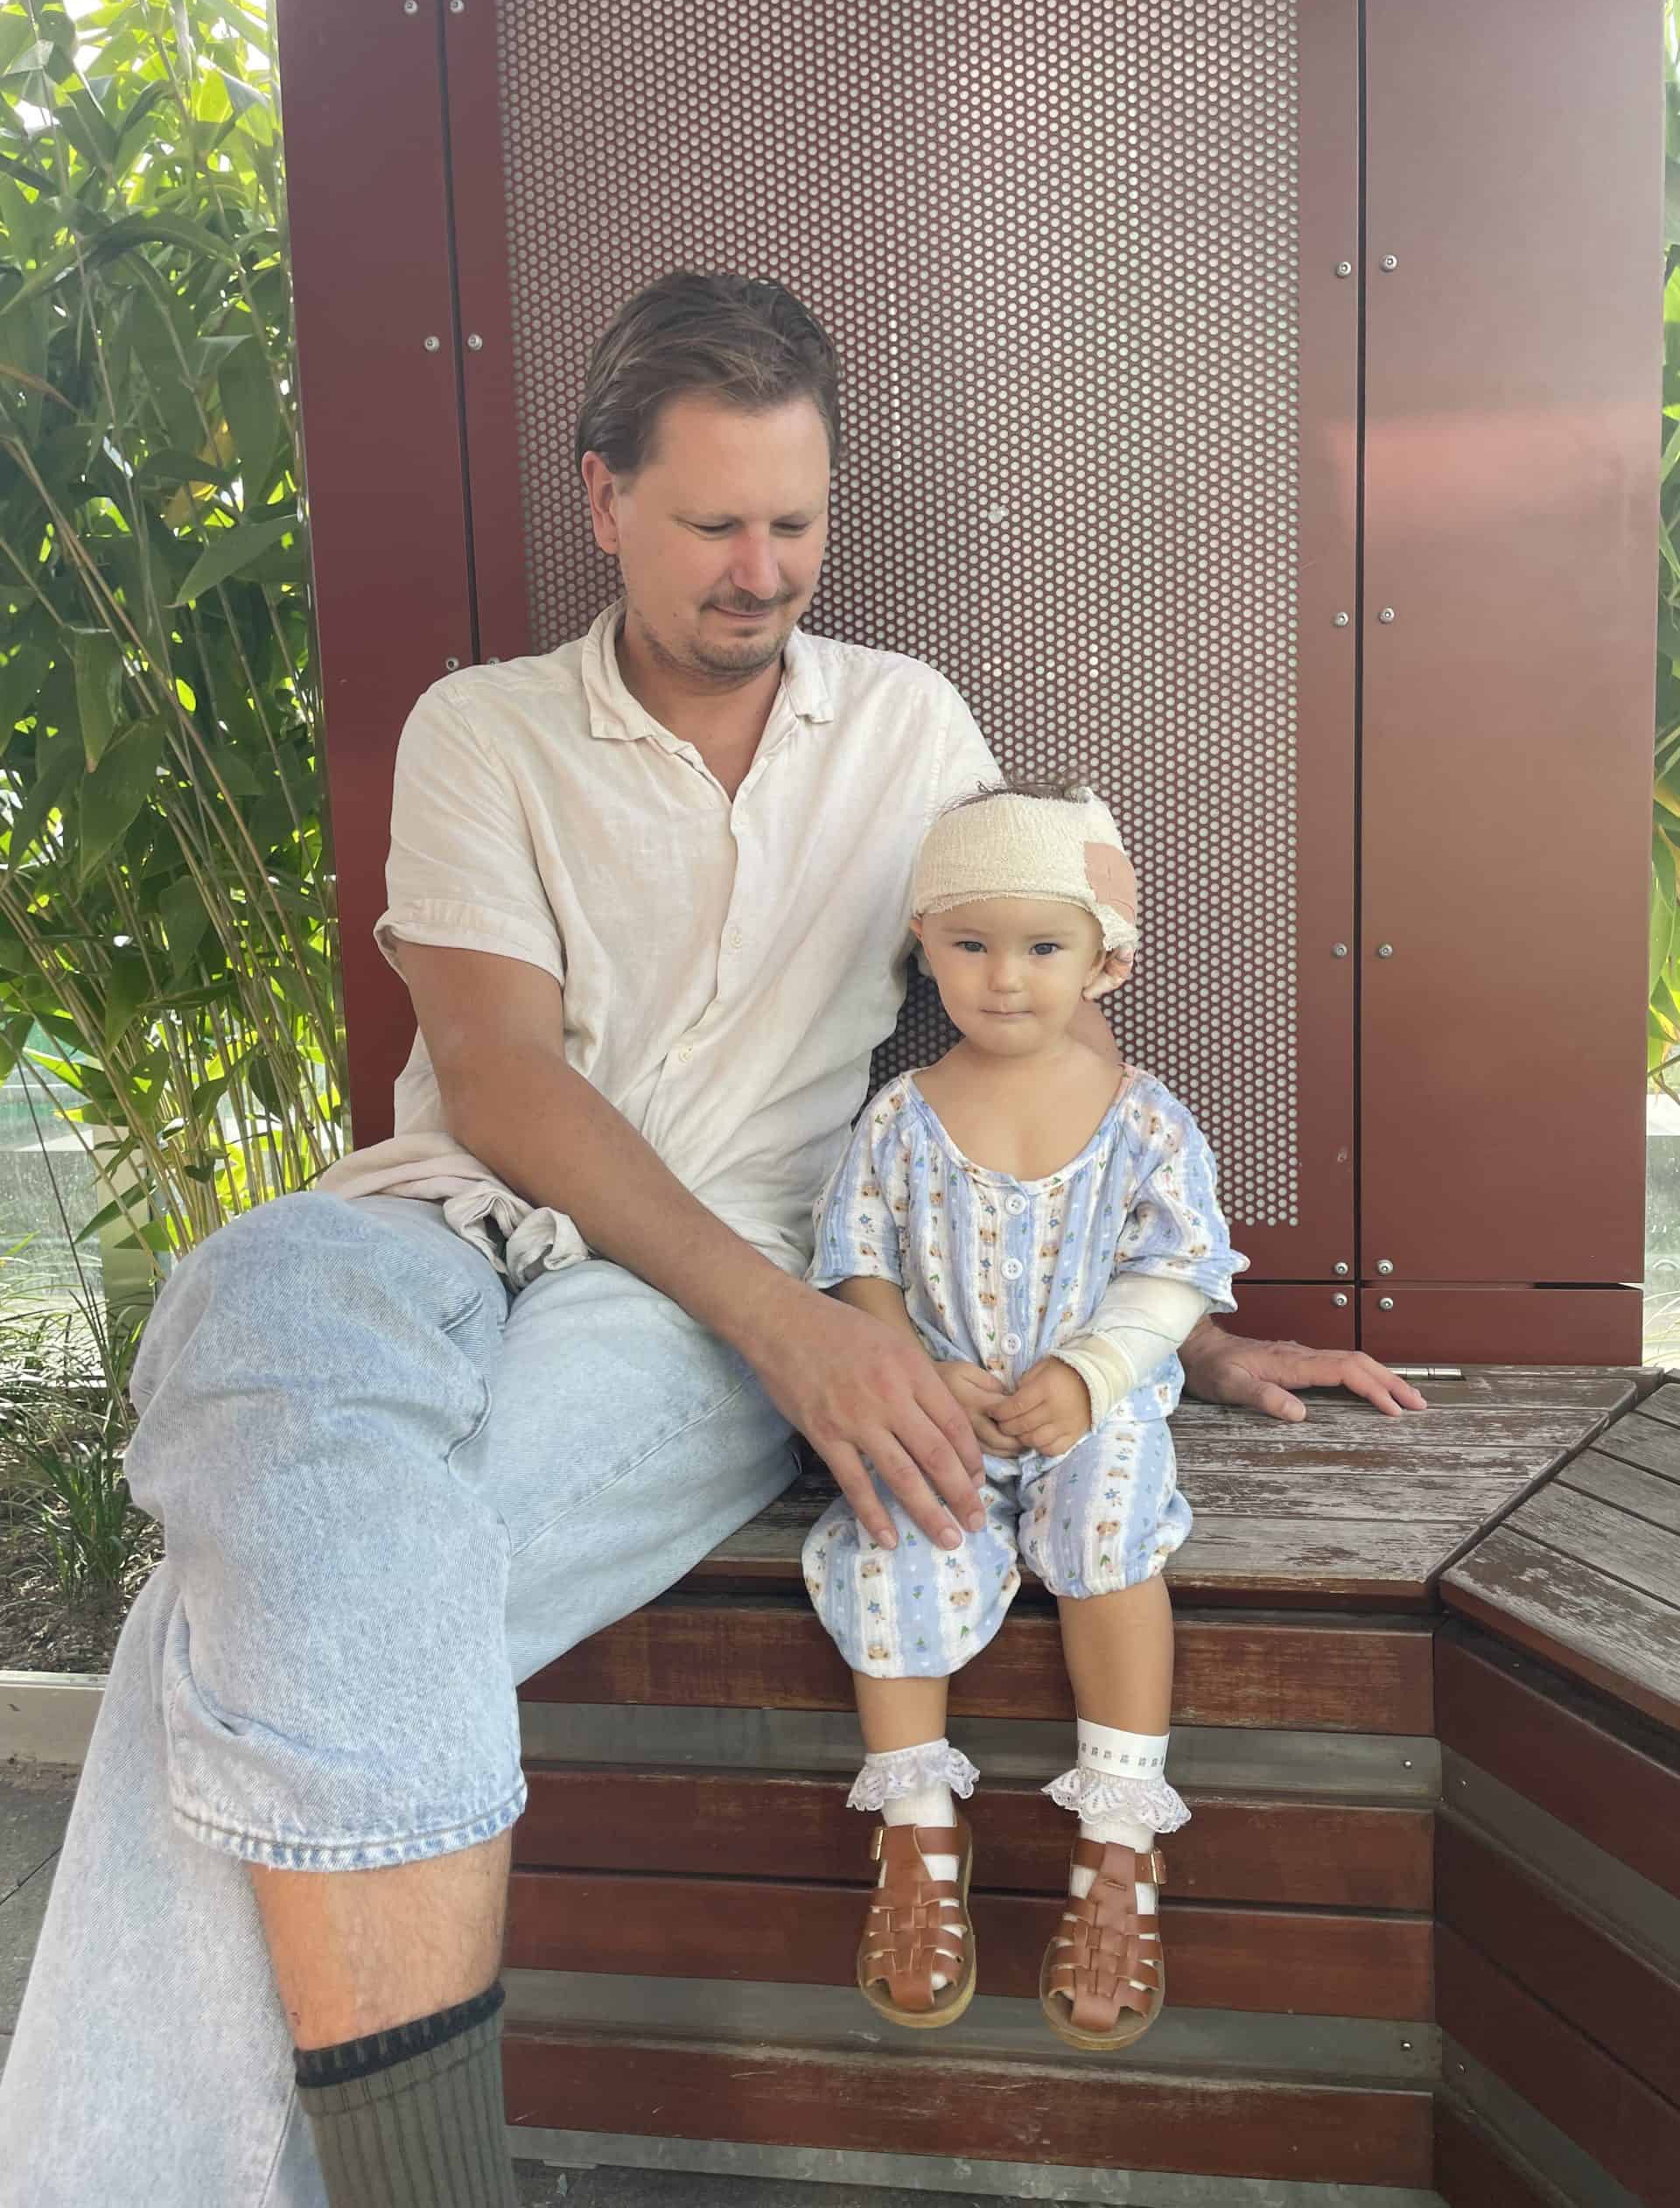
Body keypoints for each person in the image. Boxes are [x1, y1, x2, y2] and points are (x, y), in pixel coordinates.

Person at [0, 272, 1424, 2208]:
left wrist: (1173, 1328)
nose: (763, 569)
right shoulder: (482, 729)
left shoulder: (910, 726)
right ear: (603, 502)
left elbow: (1045, 1031)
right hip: (443, 1224)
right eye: (712, 523)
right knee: (261, 1314)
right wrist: (804, 1328)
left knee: (232, 1620)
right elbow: (493, 1079)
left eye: (797, 520)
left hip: (683, 1309)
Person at [803, 778, 1242, 2047]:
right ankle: (918, 1841)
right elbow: (858, 1262)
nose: (1005, 979)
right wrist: (908, 1368)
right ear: (925, 949)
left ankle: (1117, 1838)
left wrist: (1092, 1373)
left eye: (1043, 947)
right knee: (895, 1526)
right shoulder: (900, 1119)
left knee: (1108, 1525)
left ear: (1104, 961)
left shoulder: (1144, 1121)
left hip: (1085, 1409)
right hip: (945, 1402)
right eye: (971, 945)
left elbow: (1177, 1273)